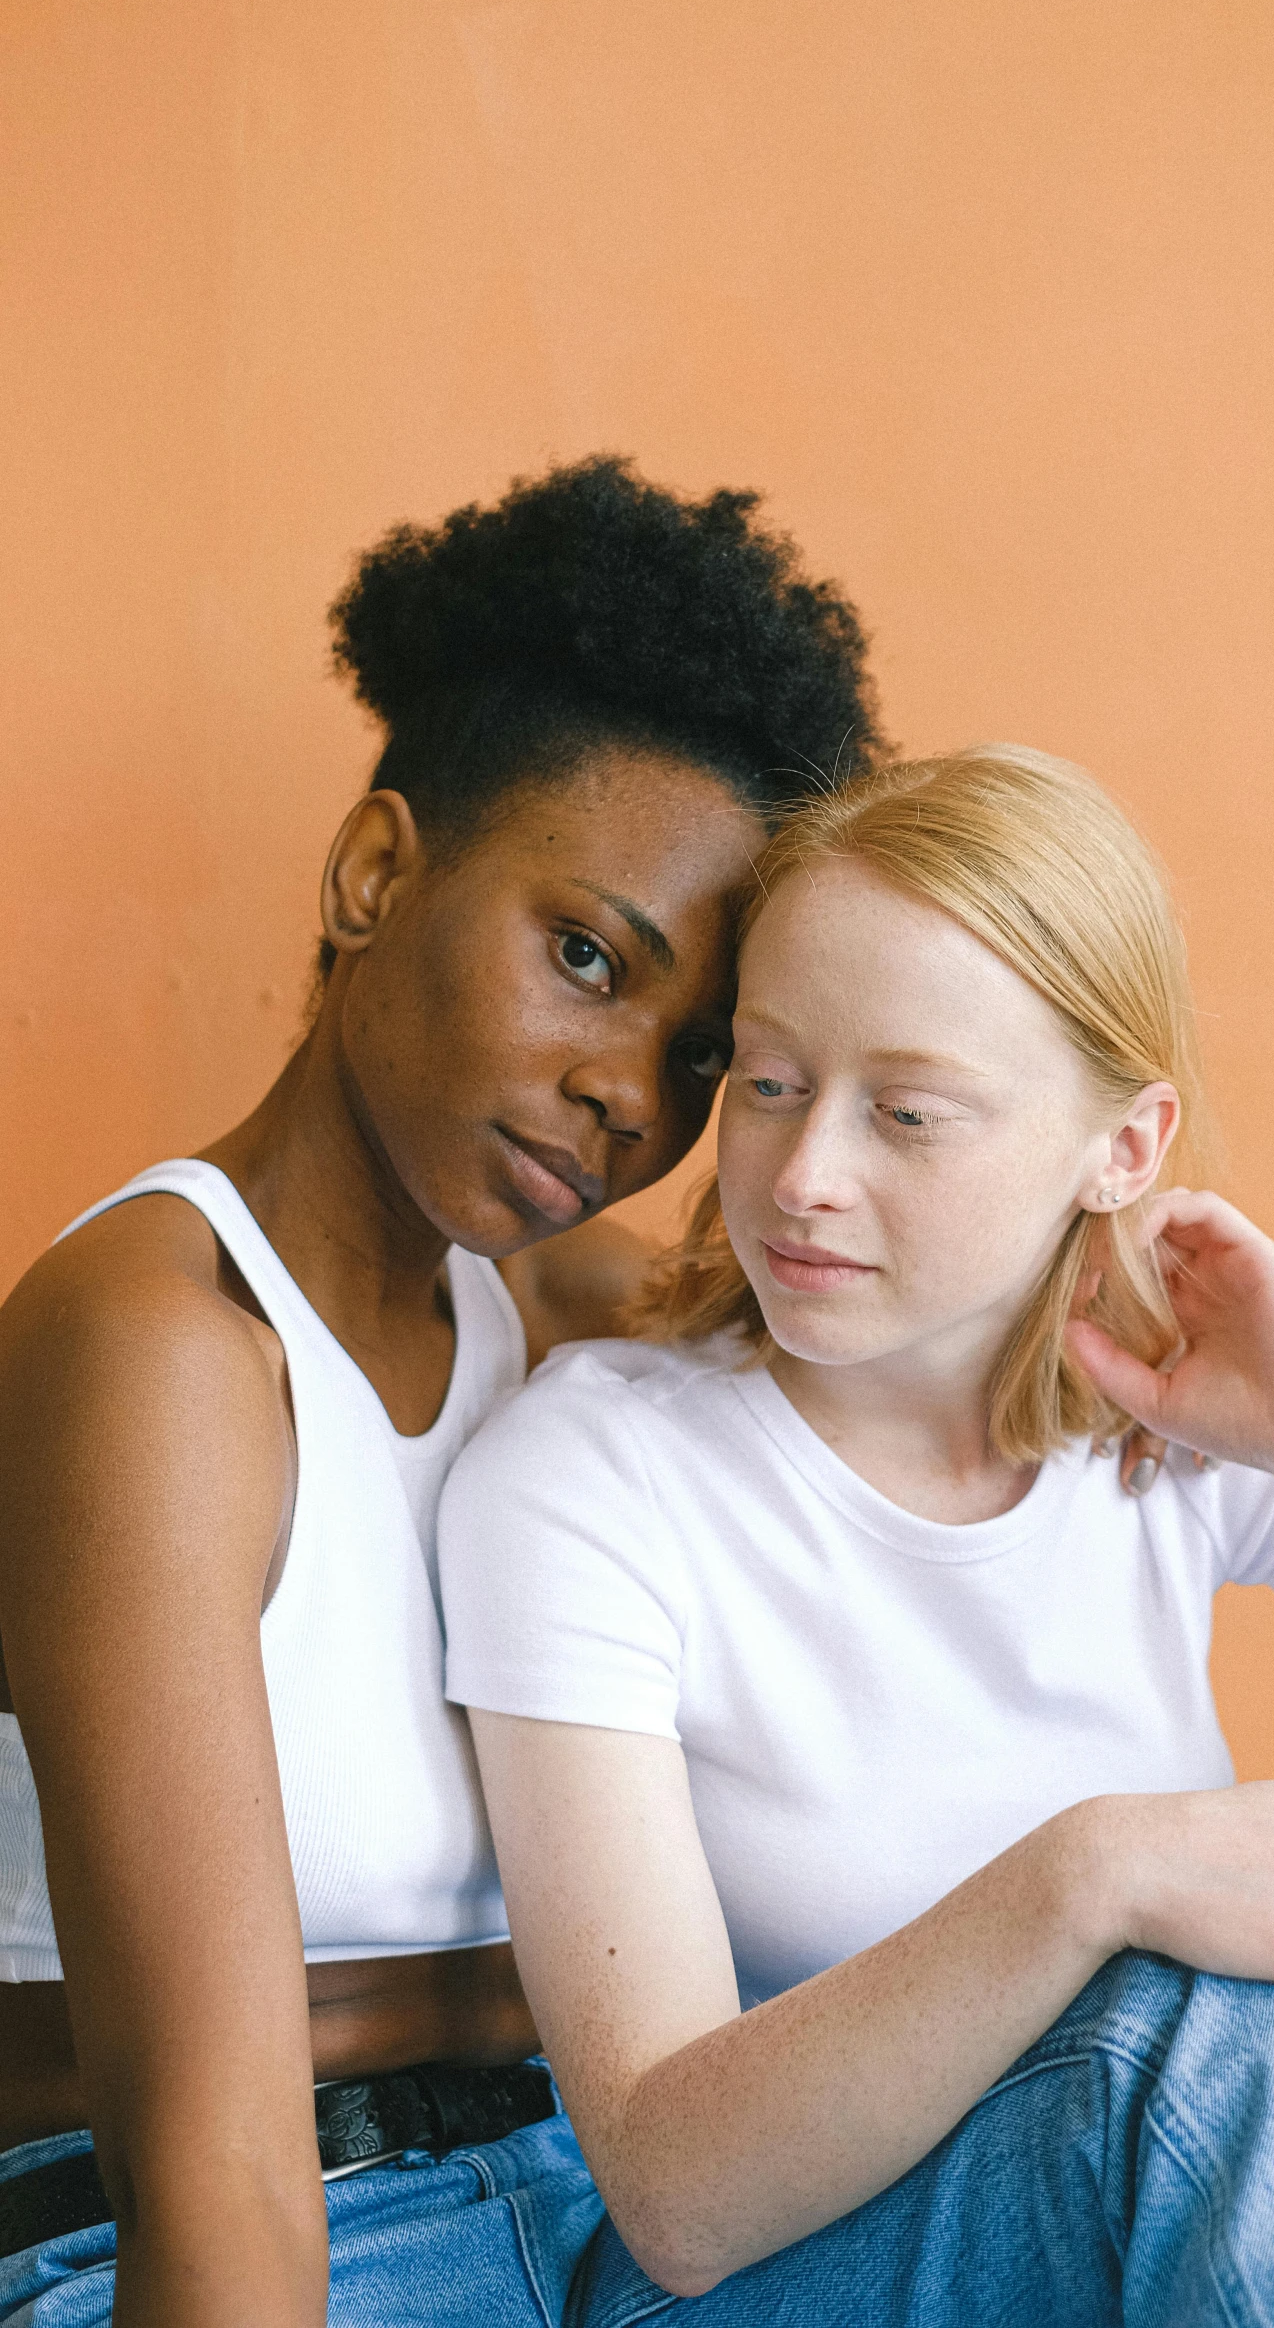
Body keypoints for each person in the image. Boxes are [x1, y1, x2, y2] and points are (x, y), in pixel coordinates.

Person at [442, 744, 1274, 2326]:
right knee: (1235, 2016)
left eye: (905, 1112)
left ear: (1120, 1146)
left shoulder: (1164, 1435)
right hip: (793, 2278)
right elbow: (672, 2191)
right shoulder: (593, 1475)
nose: (804, 1174)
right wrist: (1098, 1871)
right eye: (765, 1079)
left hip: (1221, 2215)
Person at [0, 457, 886, 2327]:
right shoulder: (164, 1345)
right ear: (378, 869)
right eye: (585, 957)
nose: (629, 1097)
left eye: (698, 1049)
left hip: (573, 2219)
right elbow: (218, 2188)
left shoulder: (557, 1321)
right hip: (217, 2248)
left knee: (1197, 2077)